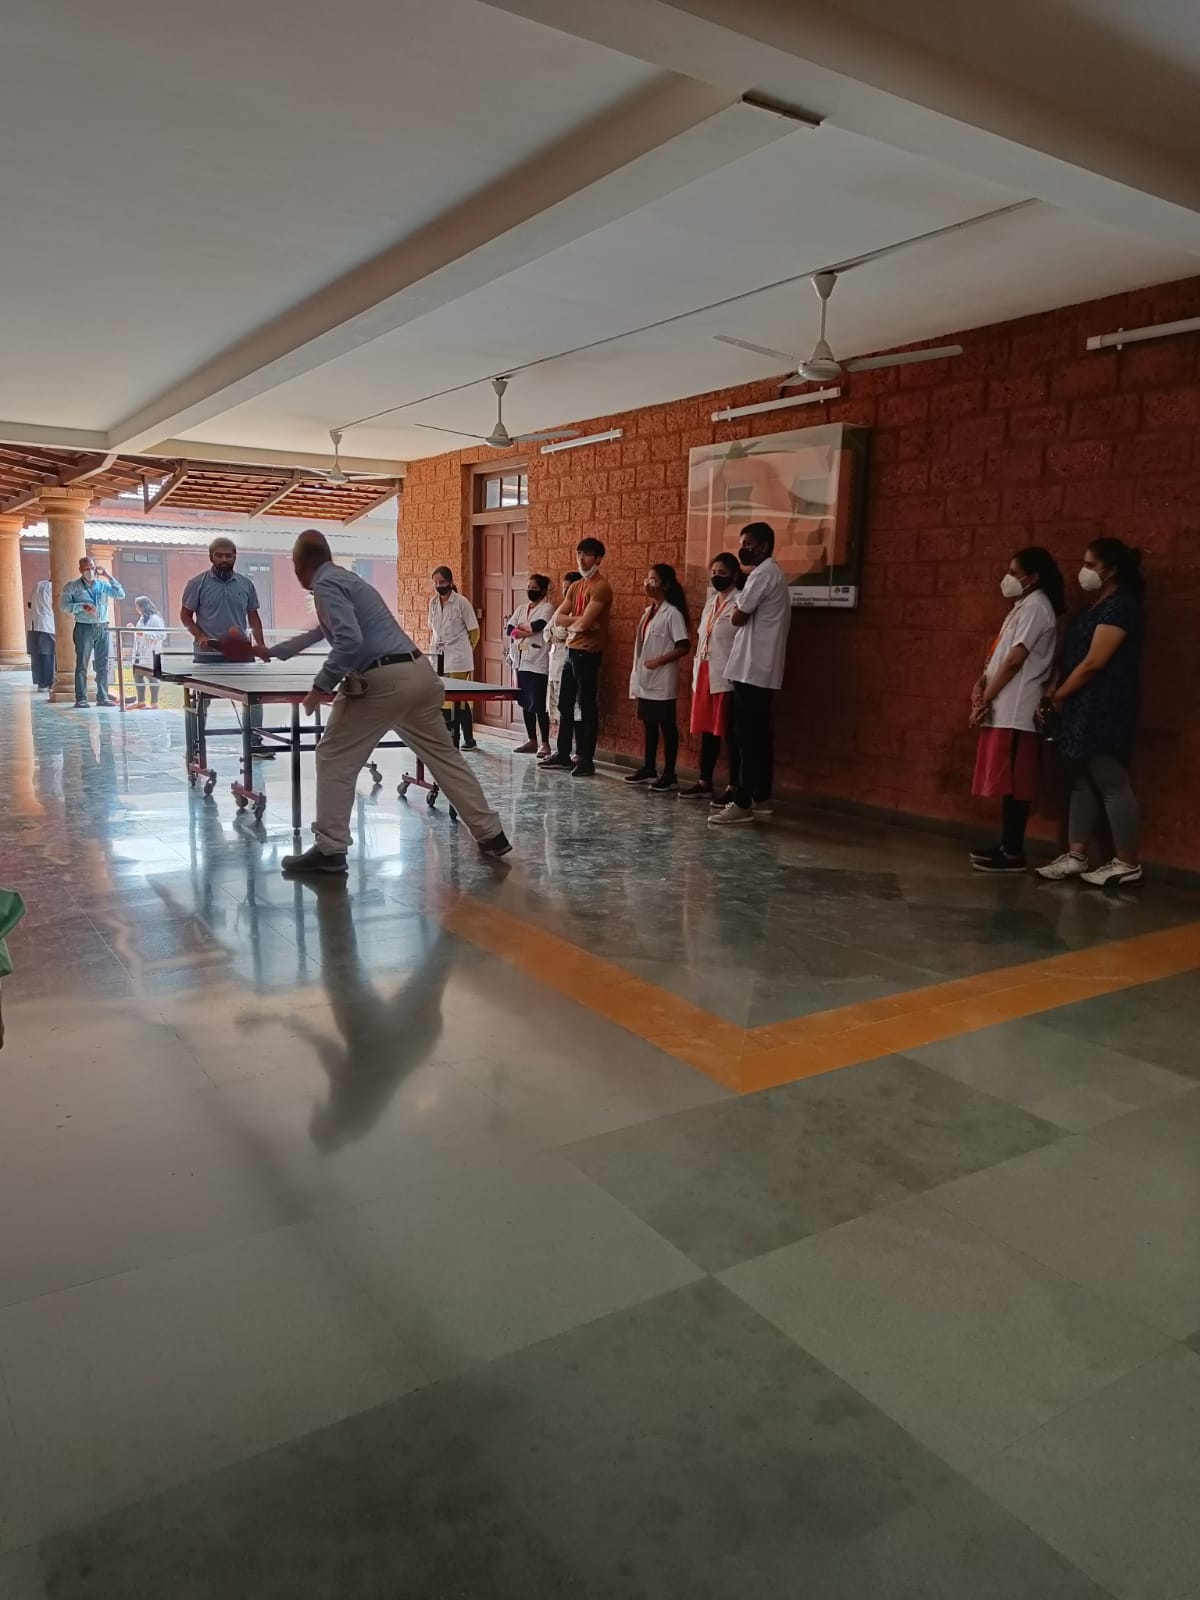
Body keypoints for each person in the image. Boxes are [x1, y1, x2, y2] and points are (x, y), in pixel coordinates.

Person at [267, 530, 510, 874]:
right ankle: (491, 833)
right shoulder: (348, 580)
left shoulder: (324, 586)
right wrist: (276, 651)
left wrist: (320, 686)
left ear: (299, 565)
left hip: (382, 680)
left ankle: (330, 849)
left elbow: (348, 639)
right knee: (444, 757)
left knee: (333, 755)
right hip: (420, 675)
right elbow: (322, 631)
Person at [1037, 538, 1145, 888]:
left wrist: (1059, 695)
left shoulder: (1121, 607)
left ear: (1110, 570)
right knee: (1081, 778)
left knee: (1111, 780)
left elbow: (1095, 662)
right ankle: (1076, 854)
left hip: (1103, 703)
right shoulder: (1094, 607)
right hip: (1079, 702)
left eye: (1090, 565)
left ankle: (1127, 862)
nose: (1083, 572)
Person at [967, 547, 1065, 874]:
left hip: (1017, 709)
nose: (1007, 578)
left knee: (1016, 783)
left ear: (1033, 577)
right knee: (1006, 782)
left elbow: (1015, 660)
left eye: (1014, 572)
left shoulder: (1037, 607)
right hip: (1002, 704)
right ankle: (1006, 845)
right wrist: (980, 685)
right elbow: (998, 656)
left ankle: (1013, 852)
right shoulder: (1021, 607)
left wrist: (986, 698)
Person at [709, 522, 790, 826]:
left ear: (765, 546)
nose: (743, 549)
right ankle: (762, 796)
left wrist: (737, 610)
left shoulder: (762, 574)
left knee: (747, 737)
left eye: (748, 544)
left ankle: (742, 802)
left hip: (752, 668)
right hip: (758, 667)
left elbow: (738, 617)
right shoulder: (772, 574)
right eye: (742, 543)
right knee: (759, 735)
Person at [180, 538, 270, 755]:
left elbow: (253, 617)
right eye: (219, 555)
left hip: (240, 653)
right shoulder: (197, 583)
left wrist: (261, 645)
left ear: (235, 557)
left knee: (253, 698)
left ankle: (255, 743)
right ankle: (195, 744)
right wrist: (200, 636)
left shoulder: (246, 584)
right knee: (201, 701)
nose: (224, 560)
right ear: (211, 557)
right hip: (207, 654)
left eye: (228, 556)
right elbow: (185, 615)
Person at [540, 537, 613, 777]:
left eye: (587, 554)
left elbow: (585, 624)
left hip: (588, 653)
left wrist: (578, 624)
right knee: (565, 704)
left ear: (598, 559)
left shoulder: (600, 587)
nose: (581, 559)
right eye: (579, 553)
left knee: (587, 706)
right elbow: (559, 619)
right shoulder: (576, 586)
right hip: (571, 651)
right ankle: (563, 754)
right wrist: (578, 623)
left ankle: (585, 759)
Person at [680, 551, 742, 803]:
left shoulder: (740, 601)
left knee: (731, 734)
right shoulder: (711, 602)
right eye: (713, 573)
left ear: (734, 575)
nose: (717, 577)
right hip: (705, 671)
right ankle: (704, 781)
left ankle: (734, 786)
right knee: (708, 731)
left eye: (722, 573)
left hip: (727, 674)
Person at [625, 564, 691, 793]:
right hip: (645, 678)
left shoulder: (672, 613)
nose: (647, 583)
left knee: (666, 725)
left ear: (666, 585)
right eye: (647, 579)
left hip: (662, 679)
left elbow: (683, 646)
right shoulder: (649, 612)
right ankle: (649, 767)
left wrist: (658, 661)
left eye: (653, 580)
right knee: (649, 724)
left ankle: (670, 774)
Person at [60, 554, 125, 708]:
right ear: (80, 570)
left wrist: (108, 576)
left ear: (96, 568)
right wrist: (82, 606)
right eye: (85, 569)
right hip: (84, 627)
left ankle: (103, 697)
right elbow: (64, 606)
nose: (89, 571)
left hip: (103, 627)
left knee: (103, 664)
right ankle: (81, 698)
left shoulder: (102, 585)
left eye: (91, 568)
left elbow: (120, 595)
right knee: (82, 664)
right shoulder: (72, 586)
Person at [427, 567, 479, 750]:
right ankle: (447, 736)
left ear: (450, 582)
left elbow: (474, 632)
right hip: (438, 657)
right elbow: (433, 629)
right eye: (435, 582)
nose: (438, 585)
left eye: (441, 582)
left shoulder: (461, 603)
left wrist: (464, 651)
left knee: (459, 700)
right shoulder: (433, 603)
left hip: (458, 659)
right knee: (442, 698)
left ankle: (467, 738)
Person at [506, 573, 556, 754]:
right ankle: (531, 740)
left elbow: (539, 626)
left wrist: (523, 629)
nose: (530, 591)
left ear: (542, 591)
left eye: (534, 588)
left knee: (539, 704)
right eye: (528, 588)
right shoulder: (521, 609)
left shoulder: (547, 608)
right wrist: (524, 631)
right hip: (521, 661)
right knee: (525, 702)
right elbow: (509, 629)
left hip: (538, 661)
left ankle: (545, 743)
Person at [546, 569, 581, 729]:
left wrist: (558, 632)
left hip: (569, 664)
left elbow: (568, 633)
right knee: (557, 709)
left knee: (574, 710)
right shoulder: (561, 609)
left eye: (569, 588)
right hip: (554, 665)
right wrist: (556, 632)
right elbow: (547, 632)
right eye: (564, 588)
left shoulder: (581, 610)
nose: (566, 591)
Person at [130, 595, 168, 709]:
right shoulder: (142, 619)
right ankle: (141, 701)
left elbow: (162, 635)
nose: (136, 609)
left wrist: (145, 633)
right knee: (137, 675)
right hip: (140, 652)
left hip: (152, 652)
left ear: (143, 607)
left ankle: (154, 702)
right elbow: (140, 633)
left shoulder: (155, 619)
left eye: (137, 607)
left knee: (152, 677)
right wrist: (134, 629)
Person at [26, 578, 55, 692]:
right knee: (48, 655)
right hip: (48, 625)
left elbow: (30, 604)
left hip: (34, 624)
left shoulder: (38, 585)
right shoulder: (54, 587)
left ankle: (40, 682)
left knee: (37, 655)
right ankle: (48, 682)